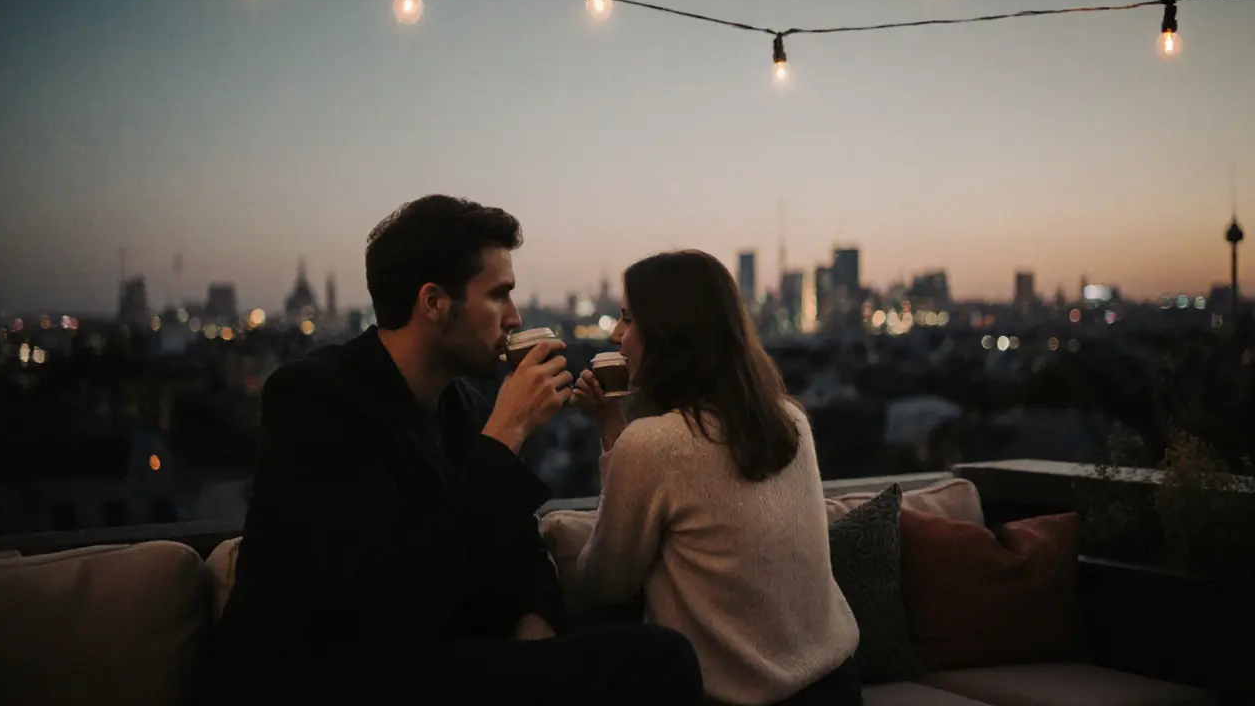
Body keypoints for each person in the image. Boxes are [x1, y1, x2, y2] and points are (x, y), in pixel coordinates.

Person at [196, 195, 703, 705]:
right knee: (658, 663)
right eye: (498, 295)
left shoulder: (464, 406)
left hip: (432, 664)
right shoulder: (314, 399)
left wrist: (534, 625)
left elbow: (524, 554)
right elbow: (390, 596)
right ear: (434, 302)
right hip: (325, 674)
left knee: (658, 655)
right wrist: (507, 431)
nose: (514, 317)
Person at [563, 250, 863, 706]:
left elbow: (605, 582)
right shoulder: (790, 421)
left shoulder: (651, 444)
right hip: (836, 686)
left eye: (628, 319)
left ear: (668, 334)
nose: (617, 336)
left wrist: (610, 428)